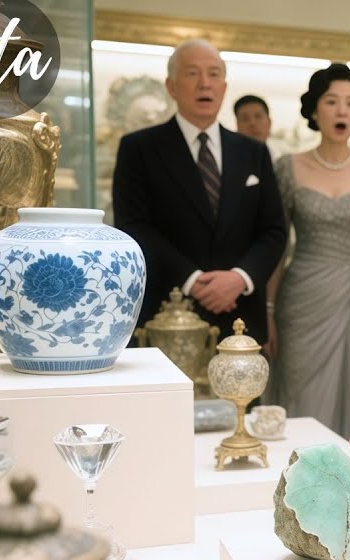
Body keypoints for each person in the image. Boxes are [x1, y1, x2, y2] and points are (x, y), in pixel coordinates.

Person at [264, 64, 350, 468]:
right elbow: (277, 245)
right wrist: (268, 311)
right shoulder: (287, 167)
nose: (342, 110)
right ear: (315, 110)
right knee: (302, 395)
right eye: (332, 101)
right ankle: (297, 494)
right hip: (302, 296)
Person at [113, 39, 286, 343]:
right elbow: (133, 226)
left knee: (240, 394)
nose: (205, 83)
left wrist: (239, 278)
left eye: (214, 74)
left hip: (241, 316)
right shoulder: (139, 148)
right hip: (168, 313)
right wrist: (192, 281)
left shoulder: (254, 152)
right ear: (171, 86)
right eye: (192, 73)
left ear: (224, 85)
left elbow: (273, 230)